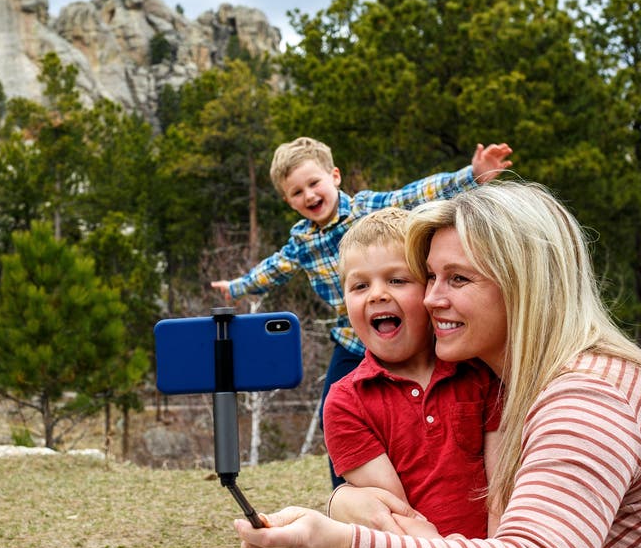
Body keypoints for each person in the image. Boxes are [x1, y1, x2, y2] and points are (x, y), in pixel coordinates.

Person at [234, 181, 641, 548]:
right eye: (431, 277)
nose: (432, 299)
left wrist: (340, 539)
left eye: (457, 280)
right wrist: (345, 500)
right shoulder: (534, 381)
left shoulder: (585, 399)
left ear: (522, 286)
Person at [211, 136, 513, 486]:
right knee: (335, 412)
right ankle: (347, 489)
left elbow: (415, 194)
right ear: (287, 201)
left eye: (314, 183)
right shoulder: (301, 243)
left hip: (409, 329)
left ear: (334, 176)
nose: (309, 196)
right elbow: (271, 270)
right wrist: (235, 289)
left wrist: (471, 175)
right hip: (350, 338)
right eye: (297, 193)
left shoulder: (367, 210)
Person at [327, 208, 501, 538]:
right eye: (360, 285)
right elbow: (394, 516)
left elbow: (501, 491)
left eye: (397, 280)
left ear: (429, 293)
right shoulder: (345, 402)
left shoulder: (479, 371)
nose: (377, 294)